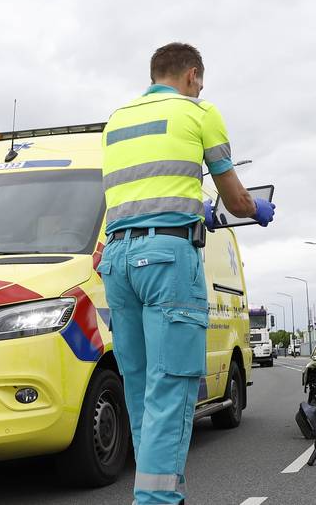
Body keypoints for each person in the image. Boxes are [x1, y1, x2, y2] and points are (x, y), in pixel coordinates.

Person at [98, 42, 275, 505]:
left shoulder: (116, 121)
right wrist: (256, 208)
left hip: (117, 260)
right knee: (172, 388)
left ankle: (158, 493)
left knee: (140, 389)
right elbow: (235, 197)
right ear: (192, 75)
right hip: (167, 261)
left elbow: (142, 196)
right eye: (201, 82)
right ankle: (157, 502)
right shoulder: (199, 113)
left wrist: (201, 214)